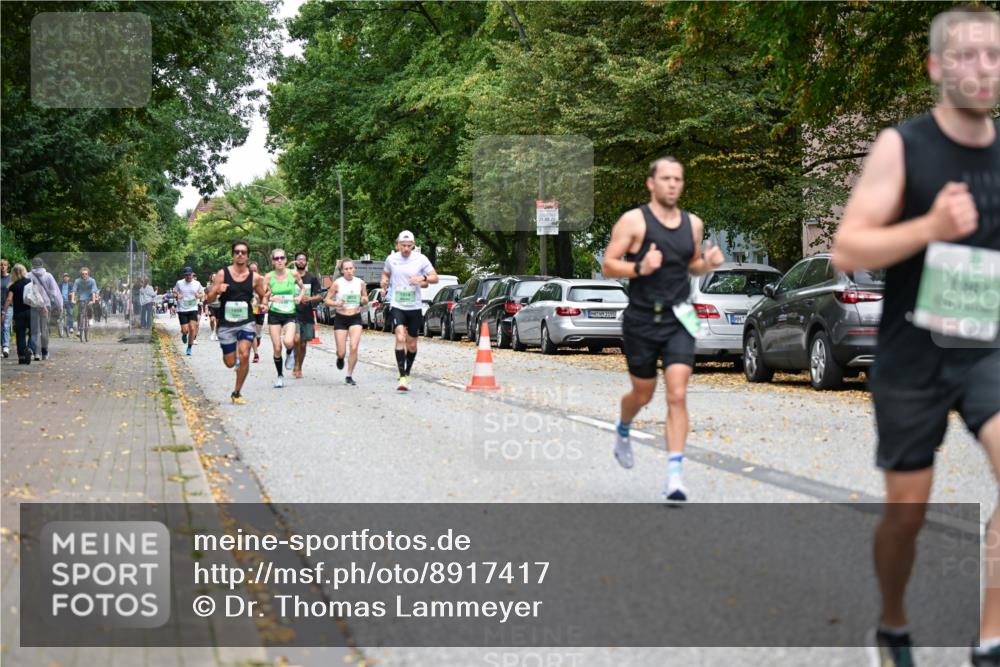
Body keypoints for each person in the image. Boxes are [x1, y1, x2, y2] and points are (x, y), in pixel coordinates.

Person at [830, 7, 1000, 666]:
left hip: (984, 346)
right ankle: (893, 622)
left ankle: (989, 638)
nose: (981, 68)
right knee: (906, 515)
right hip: (912, 353)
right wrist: (928, 227)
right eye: (965, 55)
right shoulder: (904, 146)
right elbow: (847, 246)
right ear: (935, 67)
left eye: (992, 54)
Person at [601, 156, 724, 503]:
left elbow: (692, 266)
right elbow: (609, 266)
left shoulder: (693, 224)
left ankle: (674, 476)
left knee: (678, 393)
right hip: (641, 319)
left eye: (678, 179)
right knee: (643, 394)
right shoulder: (634, 221)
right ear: (651, 184)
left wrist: (707, 265)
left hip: (679, 318)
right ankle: (623, 428)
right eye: (666, 178)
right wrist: (640, 266)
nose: (673, 184)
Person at [204, 240, 269, 404]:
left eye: (243, 252)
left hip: (246, 320)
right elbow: (209, 298)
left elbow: (263, 295)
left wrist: (264, 304)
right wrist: (217, 290)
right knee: (230, 362)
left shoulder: (254, 278)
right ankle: (234, 360)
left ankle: (237, 392)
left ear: (247, 256)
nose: (240, 254)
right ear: (233, 254)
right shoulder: (222, 274)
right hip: (226, 324)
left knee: (245, 354)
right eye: (237, 252)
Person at [380, 230, 438, 392]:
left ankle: (407, 371)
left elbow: (435, 277)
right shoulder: (391, 259)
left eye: (409, 246)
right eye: (403, 245)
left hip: (414, 307)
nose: (406, 249)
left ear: (413, 245)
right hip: (397, 304)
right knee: (400, 337)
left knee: (411, 344)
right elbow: (385, 274)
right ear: (397, 244)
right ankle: (402, 376)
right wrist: (384, 282)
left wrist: (423, 278)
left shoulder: (421, 259)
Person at [264, 249, 304, 388]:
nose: (279, 260)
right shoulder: (268, 277)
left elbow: (302, 287)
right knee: (276, 348)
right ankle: (280, 376)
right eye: (276, 258)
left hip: (290, 313)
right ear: (273, 261)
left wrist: (299, 297)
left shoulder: (293, 274)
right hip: (274, 314)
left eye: (282, 258)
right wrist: (269, 299)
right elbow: (261, 295)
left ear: (286, 260)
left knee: (288, 341)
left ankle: (290, 352)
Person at [326, 258, 368, 385]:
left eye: (351, 268)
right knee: (341, 351)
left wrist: (364, 300)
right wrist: (336, 303)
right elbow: (327, 300)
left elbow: (365, 296)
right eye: (346, 269)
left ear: (354, 269)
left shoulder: (360, 283)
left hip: (355, 317)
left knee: (354, 347)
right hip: (341, 318)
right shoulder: (337, 283)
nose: (349, 271)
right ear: (342, 270)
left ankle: (349, 375)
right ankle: (340, 358)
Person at [290, 251, 323, 380]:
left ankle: (299, 366)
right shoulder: (290, 277)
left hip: (307, 314)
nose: (301, 261)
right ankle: (295, 362)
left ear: (306, 262)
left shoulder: (312, 278)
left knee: (303, 344)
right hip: (293, 313)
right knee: (296, 339)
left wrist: (309, 299)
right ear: (295, 261)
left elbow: (320, 296)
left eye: (303, 259)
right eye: (298, 259)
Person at [28, 257, 62, 360]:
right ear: (42, 264)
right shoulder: (48, 276)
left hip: (33, 305)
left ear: (33, 264)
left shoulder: (28, 275)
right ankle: (45, 352)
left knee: (35, 330)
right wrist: (60, 305)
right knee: (44, 330)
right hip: (46, 306)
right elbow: (54, 292)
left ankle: (36, 353)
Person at [1, 264, 33, 364]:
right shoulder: (30, 282)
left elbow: (9, 299)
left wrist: (3, 312)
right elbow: (36, 296)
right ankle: (29, 348)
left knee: (20, 334)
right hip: (30, 311)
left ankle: (22, 356)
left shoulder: (13, 285)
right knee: (33, 332)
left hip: (19, 313)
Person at [173, 267, 204, 356]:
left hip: (193, 308)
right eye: (186, 275)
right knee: (185, 330)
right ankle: (184, 334)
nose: (188, 276)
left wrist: (199, 296)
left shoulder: (197, 283)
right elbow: (174, 292)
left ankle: (189, 347)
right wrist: (177, 296)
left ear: (192, 274)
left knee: (192, 328)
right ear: (184, 275)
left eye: (189, 275)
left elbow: (202, 293)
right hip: (182, 309)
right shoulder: (179, 283)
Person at [72, 268, 99, 341]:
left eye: (86, 274)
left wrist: (93, 300)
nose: (84, 275)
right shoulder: (77, 281)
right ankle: (79, 328)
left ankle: (90, 318)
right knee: (80, 313)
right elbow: (74, 291)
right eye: (83, 274)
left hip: (90, 297)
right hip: (81, 298)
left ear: (88, 274)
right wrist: (73, 299)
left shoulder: (92, 280)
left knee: (90, 307)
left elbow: (94, 291)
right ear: (81, 274)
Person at [248, 261, 263, 363]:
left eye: (255, 269)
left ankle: (258, 337)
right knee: (252, 331)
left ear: (257, 270)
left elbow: (269, 291)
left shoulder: (262, 279)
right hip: (249, 308)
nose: (253, 271)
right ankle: (256, 354)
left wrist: (261, 297)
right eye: (251, 270)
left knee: (257, 330)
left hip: (259, 308)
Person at [1, 258, 10, 358]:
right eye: (1, 265)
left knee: (6, 325)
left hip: (8, 305)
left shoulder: (11, 278)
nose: (3, 267)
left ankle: (6, 346)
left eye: (4, 265)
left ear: (8, 266)